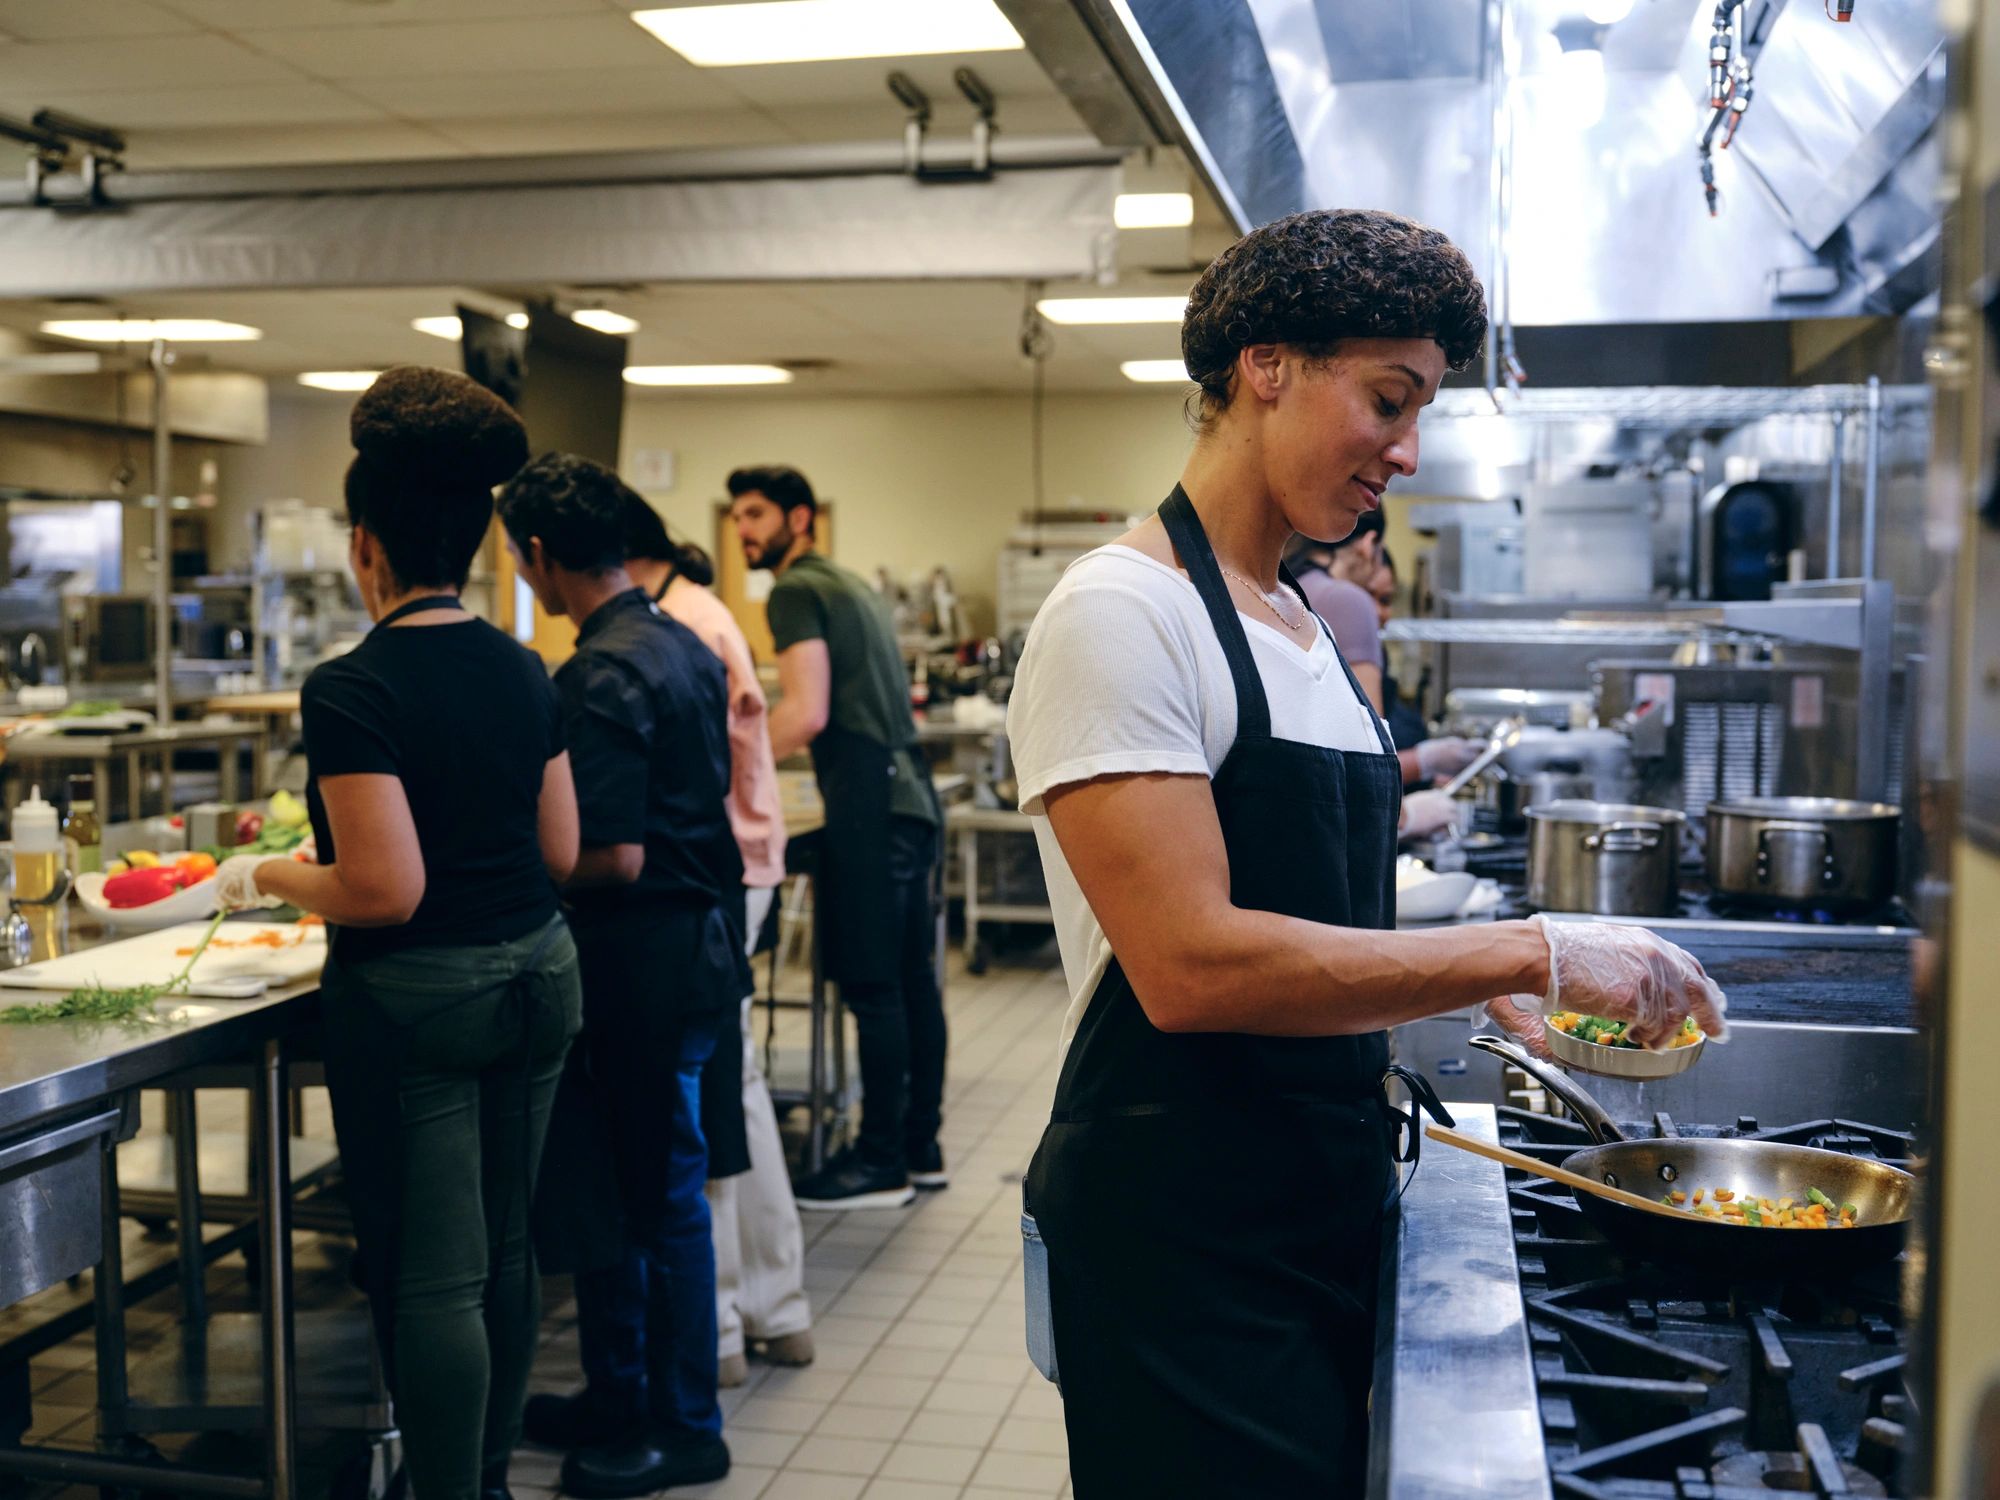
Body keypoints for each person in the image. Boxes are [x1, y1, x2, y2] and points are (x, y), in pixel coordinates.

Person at [1005, 209, 1729, 1495]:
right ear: (1262, 366)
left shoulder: (1294, 623)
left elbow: (1312, 907)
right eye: (1384, 400)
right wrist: (1536, 947)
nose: (1402, 451)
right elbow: (1192, 968)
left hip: (1321, 1196)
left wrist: (1475, 985)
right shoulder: (1122, 616)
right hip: (1183, 1233)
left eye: (1420, 413)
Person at [214, 367, 582, 1500]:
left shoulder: (352, 686)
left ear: (362, 545)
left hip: (424, 1001)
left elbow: (384, 888)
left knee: (431, 1279)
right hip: (538, 979)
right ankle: (485, 1480)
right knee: (508, 1252)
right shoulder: (524, 668)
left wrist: (264, 872)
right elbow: (559, 852)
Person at [499, 455, 747, 1498]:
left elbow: (607, 855)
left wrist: (518, 849)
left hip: (642, 958)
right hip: (690, 951)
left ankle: (684, 1426)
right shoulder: (681, 638)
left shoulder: (596, 674)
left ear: (544, 558)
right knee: (630, 1190)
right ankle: (619, 1395)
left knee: (654, 1199)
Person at [619, 496, 815, 1387]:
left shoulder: (681, 622)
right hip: (737, 867)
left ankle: (727, 1320)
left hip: (716, 874)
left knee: (708, 1091)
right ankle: (773, 1308)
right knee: (732, 1085)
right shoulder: (701, 610)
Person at [726, 465, 947, 1212]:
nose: (743, 530)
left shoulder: (794, 591)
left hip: (868, 800)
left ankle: (879, 1162)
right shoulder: (849, 584)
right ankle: (920, 1146)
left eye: (756, 514)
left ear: (799, 519)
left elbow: (807, 712)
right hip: (907, 795)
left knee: (874, 985)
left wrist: (724, 771)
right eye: (737, 517)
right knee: (913, 983)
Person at [1371, 547, 1431, 763]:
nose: (1378, 612)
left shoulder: (1379, 655)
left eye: (1385, 600)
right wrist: (1421, 762)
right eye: (1367, 596)